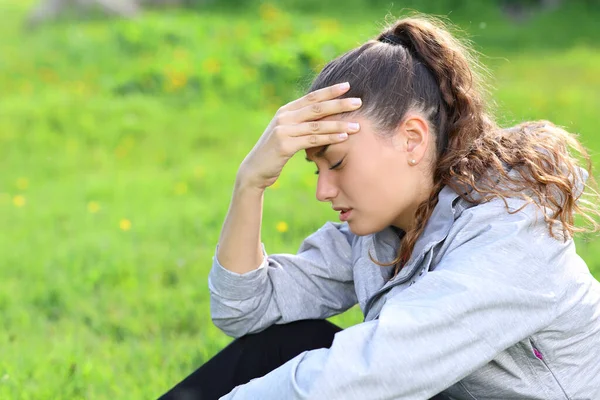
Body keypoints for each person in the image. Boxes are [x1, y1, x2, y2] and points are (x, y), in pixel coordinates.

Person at [158, 14, 600, 400]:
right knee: (285, 344)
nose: (323, 191)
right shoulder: (379, 231)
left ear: (412, 139)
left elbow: (379, 369)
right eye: (317, 171)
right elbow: (245, 310)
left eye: (338, 163)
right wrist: (249, 183)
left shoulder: (510, 226)